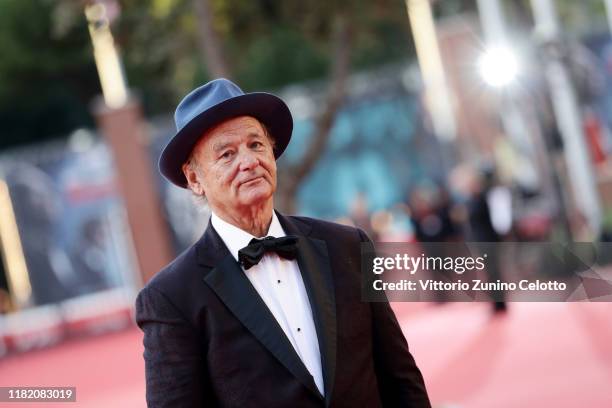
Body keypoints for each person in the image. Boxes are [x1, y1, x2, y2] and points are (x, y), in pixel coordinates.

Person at [135, 78, 431, 407]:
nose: (248, 161)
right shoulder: (171, 298)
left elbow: (401, 378)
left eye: (256, 145)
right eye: (227, 154)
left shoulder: (347, 246)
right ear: (194, 179)